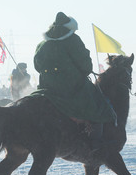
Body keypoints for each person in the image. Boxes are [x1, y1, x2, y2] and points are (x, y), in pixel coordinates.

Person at [32, 12, 116, 149]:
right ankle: (94, 143)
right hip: (72, 86)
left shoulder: (42, 44)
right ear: (69, 28)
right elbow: (86, 66)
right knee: (97, 104)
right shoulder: (73, 40)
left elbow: (37, 66)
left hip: (46, 87)